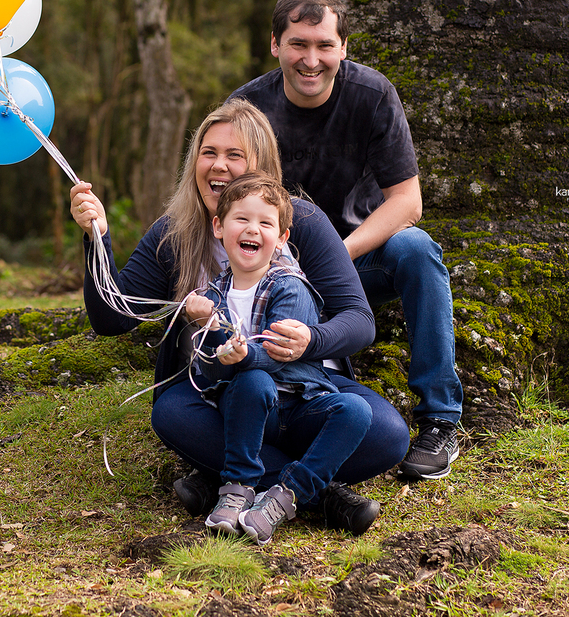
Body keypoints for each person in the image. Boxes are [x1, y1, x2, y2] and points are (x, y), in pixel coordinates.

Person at [70, 100, 409, 534]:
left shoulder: (299, 222)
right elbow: (112, 318)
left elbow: (360, 320)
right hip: (218, 394)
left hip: (306, 389)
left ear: (261, 166)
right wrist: (97, 239)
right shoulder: (173, 233)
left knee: (388, 435)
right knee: (172, 415)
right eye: (209, 152)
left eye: (235, 156)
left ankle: (224, 478)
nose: (219, 166)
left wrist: (312, 340)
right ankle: (317, 494)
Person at [230, 0, 464, 480]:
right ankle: (244, 441)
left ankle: (441, 420)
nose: (311, 59)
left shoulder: (372, 95)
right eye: (298, 44)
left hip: (356, 259)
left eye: (324, 45)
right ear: (275, 45)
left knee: (417, 249)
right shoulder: (248, 108)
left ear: (343, 49)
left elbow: (408, 201)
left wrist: (336, 253)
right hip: (273, 271)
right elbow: (225, 202)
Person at [187, 172, 377, 543]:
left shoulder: (290, 285)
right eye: (241, 219)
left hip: (301, 401)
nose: (252, 229)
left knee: (357, 411)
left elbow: (277, 354)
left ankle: (286, 495)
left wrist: (241, 354)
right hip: (251, 408)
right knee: (251, 382)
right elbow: (205, 373)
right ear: (219, 227)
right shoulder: (211, 294)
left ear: (282, 238)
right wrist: (207, 329)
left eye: (265, 223)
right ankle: (237, 486)